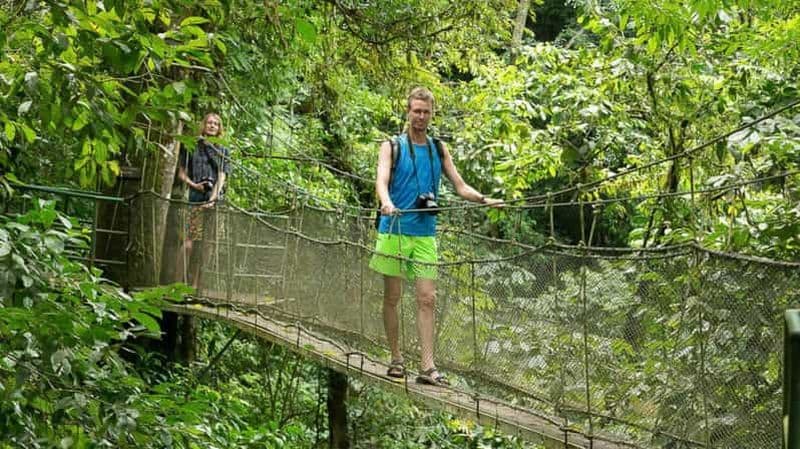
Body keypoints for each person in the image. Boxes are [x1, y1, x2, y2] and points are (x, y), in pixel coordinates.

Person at [369, 87, 502, 386]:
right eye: (416, 111)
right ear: (408, 112)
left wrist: (484, 199)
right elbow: (381, 180)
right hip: (395, 230)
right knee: (392, 297)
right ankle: (396, 358)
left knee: (427, 298)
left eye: (426, 112)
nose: (421, 117)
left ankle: (427, 367)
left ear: (432, 114)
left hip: (425, 234)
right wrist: (386, 203)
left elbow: (460, 185)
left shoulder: (438, 148)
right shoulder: (392, 146)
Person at [176, 112, 231, 291]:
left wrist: (213, 198)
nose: (212, 125)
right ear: (204, 125)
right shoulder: (192, 146)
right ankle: (178, 284)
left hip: (215, 201)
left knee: (208, 244)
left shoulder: (223, 150)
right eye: (209, 122)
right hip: (195, 199)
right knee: (189, 244)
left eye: (216, 123)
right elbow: (181, 173)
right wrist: (195, 185)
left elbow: (222, 177)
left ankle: (197, 285)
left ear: (219, 127)